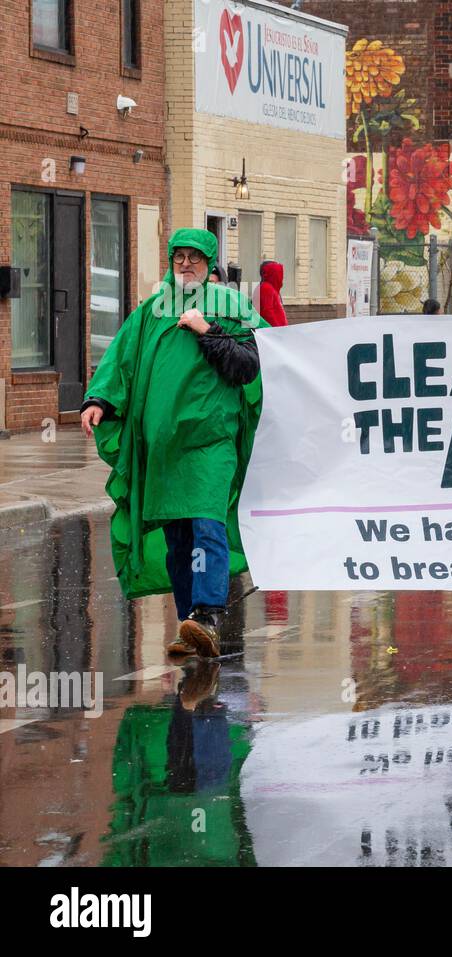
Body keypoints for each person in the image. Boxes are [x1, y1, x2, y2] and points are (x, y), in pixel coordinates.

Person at [80, 228, 268, 658]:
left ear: (211, 263)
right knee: (179, 536)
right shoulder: (150, 312)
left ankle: (206, 614)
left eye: (195, 258)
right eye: (178, 257)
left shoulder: (235, 308)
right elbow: (120, 363)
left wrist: (208, 330)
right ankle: (190, 623)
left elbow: (251, 366)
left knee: (206, 525)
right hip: (163, 448)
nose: (186, 265)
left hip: (210, 442)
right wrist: (99, 401)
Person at [256, 260, 288, 328]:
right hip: (274, 331)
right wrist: (277, 328)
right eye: (279, 273)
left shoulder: (271, 289)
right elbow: (267, 312)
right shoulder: (266, 288)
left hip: (277, 330)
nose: (281, 277)